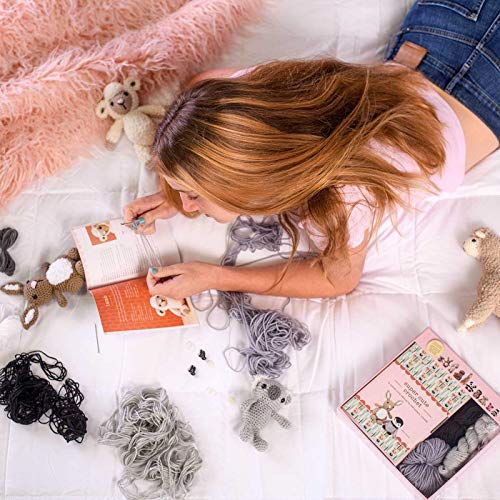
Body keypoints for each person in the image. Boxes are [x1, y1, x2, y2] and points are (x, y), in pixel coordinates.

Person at [123, 0, 499, 300]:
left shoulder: (343, 195)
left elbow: (336, 279)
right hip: (450, 24)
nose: (189, 206)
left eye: (194, 195)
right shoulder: (263, 98)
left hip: (484, 94)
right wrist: (180, 183)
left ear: (240, 178)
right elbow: (199, 87)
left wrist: (215, 277)